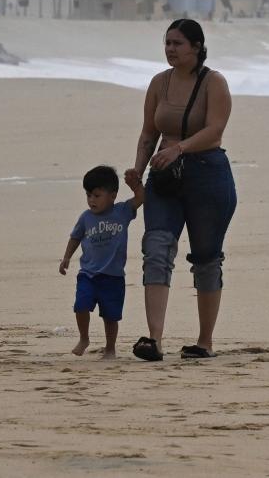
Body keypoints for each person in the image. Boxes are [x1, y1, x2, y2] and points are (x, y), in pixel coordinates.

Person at [129, 19, 236, 361]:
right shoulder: (159, 83)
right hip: (163, 178)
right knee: (157, 248)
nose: (170, 49)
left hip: (207, 175)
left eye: (177, 43)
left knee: (206, 257)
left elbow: (215, 129)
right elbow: (148, 133)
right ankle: (154, 339)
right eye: (167, 43)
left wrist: (179, 148)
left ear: (196, 46)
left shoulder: (214, 83)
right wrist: (137, 169)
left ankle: (204, 342)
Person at [58, 165, 145, 359]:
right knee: (80, 306)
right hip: (88, 274)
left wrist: (136, 185)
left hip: (113, 277)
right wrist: (66, 257)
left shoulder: (122, 211)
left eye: (97, 196)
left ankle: (110, 348)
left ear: (112, 196)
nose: (91, 201)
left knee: (110, 316)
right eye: (88, 195)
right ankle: (84, 338)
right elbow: (75, 237)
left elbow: (141, 198)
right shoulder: (86, 218)